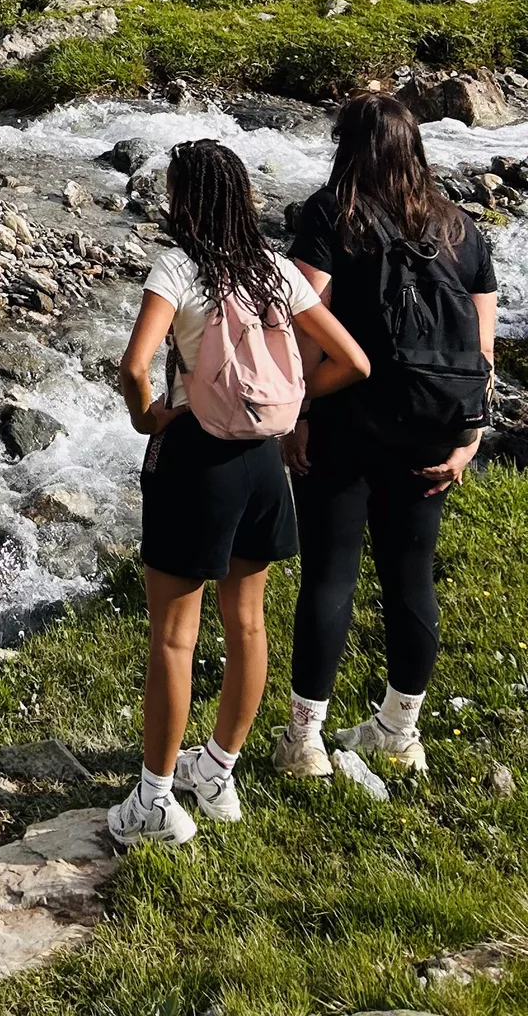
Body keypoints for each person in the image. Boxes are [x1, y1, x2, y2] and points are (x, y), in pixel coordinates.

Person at [111, 138, 370, 847]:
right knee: (248, 623)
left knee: (173, 636)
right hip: (263, 465)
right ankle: (218, 770)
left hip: (198, 460)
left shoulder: (177, 268)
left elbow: (135, 367)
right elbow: (354, 360)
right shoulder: (276, 271)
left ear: (185, 200)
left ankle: (156, 801)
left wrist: (150, 418)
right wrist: (285, 402)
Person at [276, 92, 497, 779]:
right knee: (411, 575)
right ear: (416, 148)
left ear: (348, 146)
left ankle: (305, 742)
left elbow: (303, 327)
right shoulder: (462, 229)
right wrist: (469, 440)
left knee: (331, 575)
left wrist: (297, 416)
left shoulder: (328, 216)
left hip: (346, 426)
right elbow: (478, 356)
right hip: (433, 430)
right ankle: (401, 732)